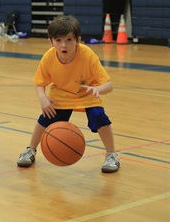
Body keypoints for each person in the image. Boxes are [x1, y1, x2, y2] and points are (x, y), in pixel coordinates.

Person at [16, 15, 120, 173]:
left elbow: (109, 85)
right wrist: (43, 98)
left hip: (88, 93)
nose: (63, 45)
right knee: (46, 116)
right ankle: (30, 150)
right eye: (58, 40)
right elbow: (40, 83)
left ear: (78, 40)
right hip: (62, 95)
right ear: (50, 41)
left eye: (69, 40)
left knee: (98, 116)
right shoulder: (49, 57)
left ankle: (112, 154)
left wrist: (97, 90)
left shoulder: (87, 54)